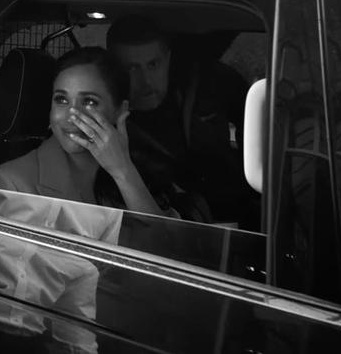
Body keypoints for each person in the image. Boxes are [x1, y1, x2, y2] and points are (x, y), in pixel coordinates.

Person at [0, 47, 178, 217]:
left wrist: (122, 172)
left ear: (120, 111)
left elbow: (169, 245)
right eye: (61, 100)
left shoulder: (143, 171)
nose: (72, 116)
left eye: (89, 102)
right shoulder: (10, 184)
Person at [106, 14, 258, 227]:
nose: (145, 80)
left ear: (168, 59)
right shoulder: (110, 128)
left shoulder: (207, 85)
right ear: (114, 71)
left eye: (153, 64)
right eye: (131, 68)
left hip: (241, 215)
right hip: (174, 230)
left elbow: (257, 134)